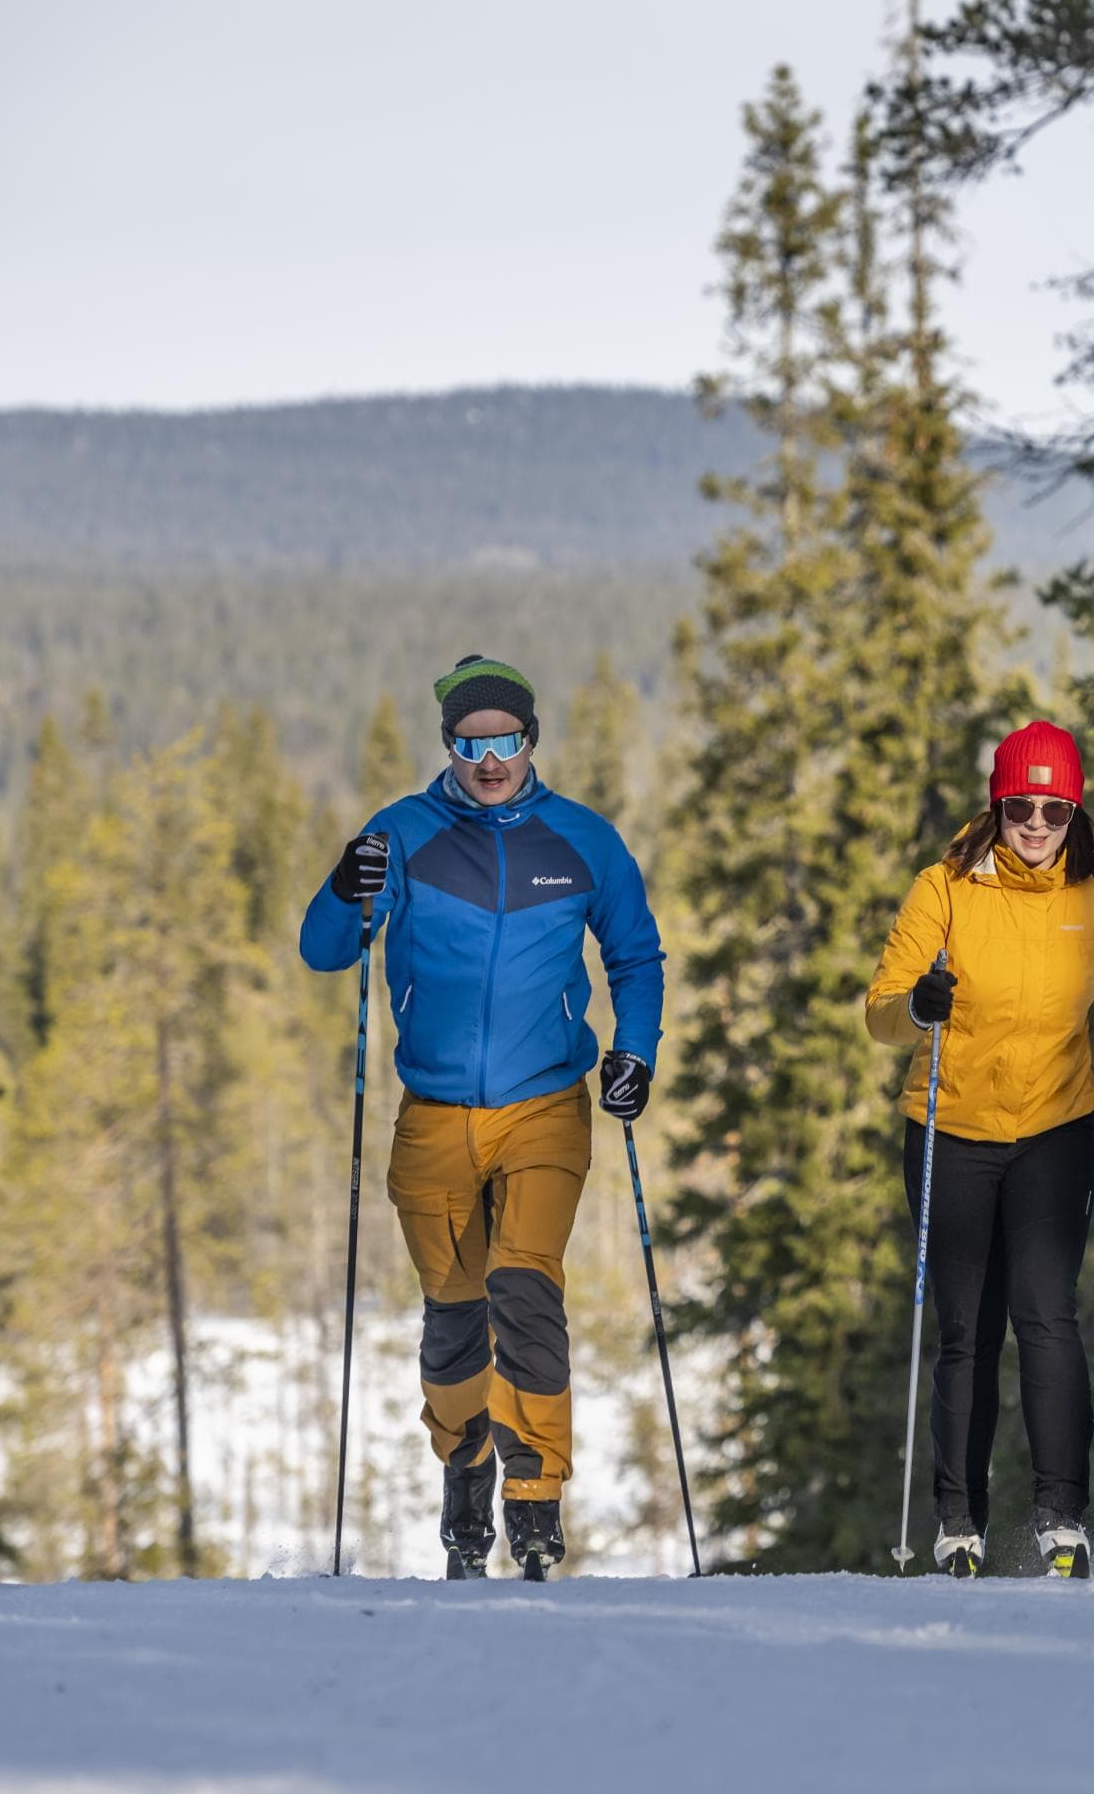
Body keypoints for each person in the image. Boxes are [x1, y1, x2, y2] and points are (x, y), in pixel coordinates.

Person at [300, 654, 664, 1580]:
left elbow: (636, 956)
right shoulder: (402, 835)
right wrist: (348, 886)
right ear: (449, 746)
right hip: (434, 1115)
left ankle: (534, 1501)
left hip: (547, 1103)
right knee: (455, 1319)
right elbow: (323, 950)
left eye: (506, 739)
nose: (490, 758)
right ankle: (464, 1468)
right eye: (472, 742)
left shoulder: (583, 840)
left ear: (532, 740)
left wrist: (636, 1051)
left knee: (527, 1288)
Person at [864, 720, 1094, 1577]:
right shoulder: (943, 889)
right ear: (996, 805)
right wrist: (920, 1004)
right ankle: (960, 1521)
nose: (1036, 824)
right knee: (967, 1329)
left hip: (1056, 1133)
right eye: (1020, 806)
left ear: (1076, 813)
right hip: (948, 1128)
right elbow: (881, 1010)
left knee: (1046, 1315)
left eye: (1053, 809)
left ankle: (1062, 1517)